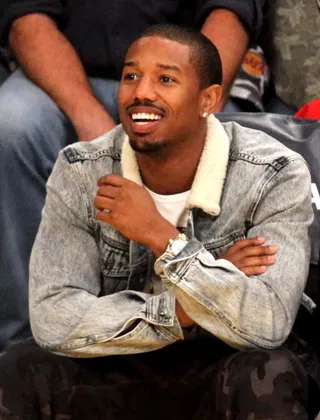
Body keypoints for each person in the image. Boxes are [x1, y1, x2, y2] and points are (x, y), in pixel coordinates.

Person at [0, 24, 315, 418]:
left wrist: (163, 238)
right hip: (118, 364)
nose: (141, 92)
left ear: (209, 99)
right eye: (131, 76)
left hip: (221, 365)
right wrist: (188, 307)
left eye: (165, 79)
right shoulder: (82, 171)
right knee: (16, 369)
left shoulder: (273, 173)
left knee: (271, 373)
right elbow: (54, 318)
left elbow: (268, 323)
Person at [0, 0, 265, 350]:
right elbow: (26, 17)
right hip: (62, 73)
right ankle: (23, 344)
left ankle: (207, 327)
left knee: (237, 144)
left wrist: (188, 100)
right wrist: (89, 117)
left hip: (184, 75)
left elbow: (230, 13)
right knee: (11, 126)